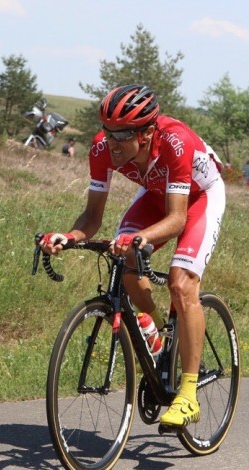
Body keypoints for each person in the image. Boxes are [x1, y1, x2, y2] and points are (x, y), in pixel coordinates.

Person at [38, 84, 225, 429]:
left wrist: (139, 237)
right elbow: (91, 219)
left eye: (122, 135)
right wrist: (69, 236)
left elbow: (178, 219)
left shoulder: (174, 142)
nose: (112, 143)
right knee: (124, 263)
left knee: (181, 285)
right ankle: (156, 329)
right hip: (157, 195)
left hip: (200, 198)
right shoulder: (101, 148)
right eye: (108, 132)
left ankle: (187, 395)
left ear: (148, 132)